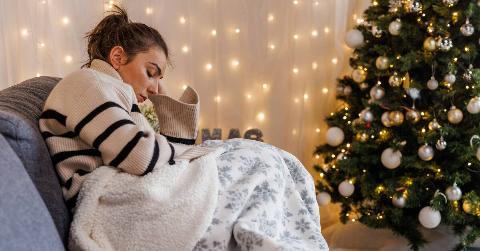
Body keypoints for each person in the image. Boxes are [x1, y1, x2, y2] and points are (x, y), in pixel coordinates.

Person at [39, 5, 328, 251]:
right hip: (109, 199)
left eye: (159, 77)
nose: (154, 87)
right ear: (117, 57)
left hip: (124, 187)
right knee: (257, 161)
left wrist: (171, 116)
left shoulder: (116, 96)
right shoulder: (87, 83)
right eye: (150, 72)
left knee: (267, 160)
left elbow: (157, 157)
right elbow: (139, 157)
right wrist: (189, 152)